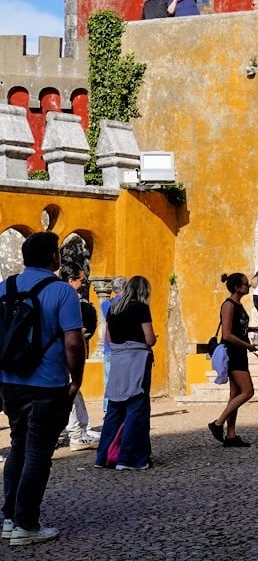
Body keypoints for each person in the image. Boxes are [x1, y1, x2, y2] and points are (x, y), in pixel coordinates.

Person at [0, 231, 84, 546]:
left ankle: (10, 518)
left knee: (18, 445)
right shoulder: (62, 292)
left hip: (10, 380)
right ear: (54, 257)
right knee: (37, 450)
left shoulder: (4, 288)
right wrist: (76, 379)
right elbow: (73, 342)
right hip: (46, 382)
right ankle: (26, 524)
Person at [94, 275, 156, 471]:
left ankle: (103, 457)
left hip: (118, 360)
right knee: (136, 408)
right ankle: (129, 458)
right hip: (137, 359)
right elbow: (150, 339)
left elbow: (109, 340)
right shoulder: (140, 308)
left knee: (114, 408)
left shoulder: (113, 309)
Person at [208, 272, 258, 448]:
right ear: (237, 288)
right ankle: (218, 423)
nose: (248, 286)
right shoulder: (229, 305)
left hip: (239, 352)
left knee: (235, 394)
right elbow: (228, 334)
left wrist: (252, 328)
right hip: (233, 353)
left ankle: (231, 434)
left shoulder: (238, 305)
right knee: (248, 391)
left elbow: (238, 327)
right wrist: (247, 345)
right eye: (245, 284)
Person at [58, 263, 99, 450]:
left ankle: (76, 430)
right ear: (70, 280)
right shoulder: (67, 296)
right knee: (71, 392)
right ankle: (76, 434)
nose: (83, 284)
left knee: (72, 393)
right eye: (81, 280)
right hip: (64, 354)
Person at [100, 275, 126, 390]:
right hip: (122, 346)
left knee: (108, 381)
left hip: (108, 346)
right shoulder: (126, 305)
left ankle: (107, 407)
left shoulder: (105, 305)